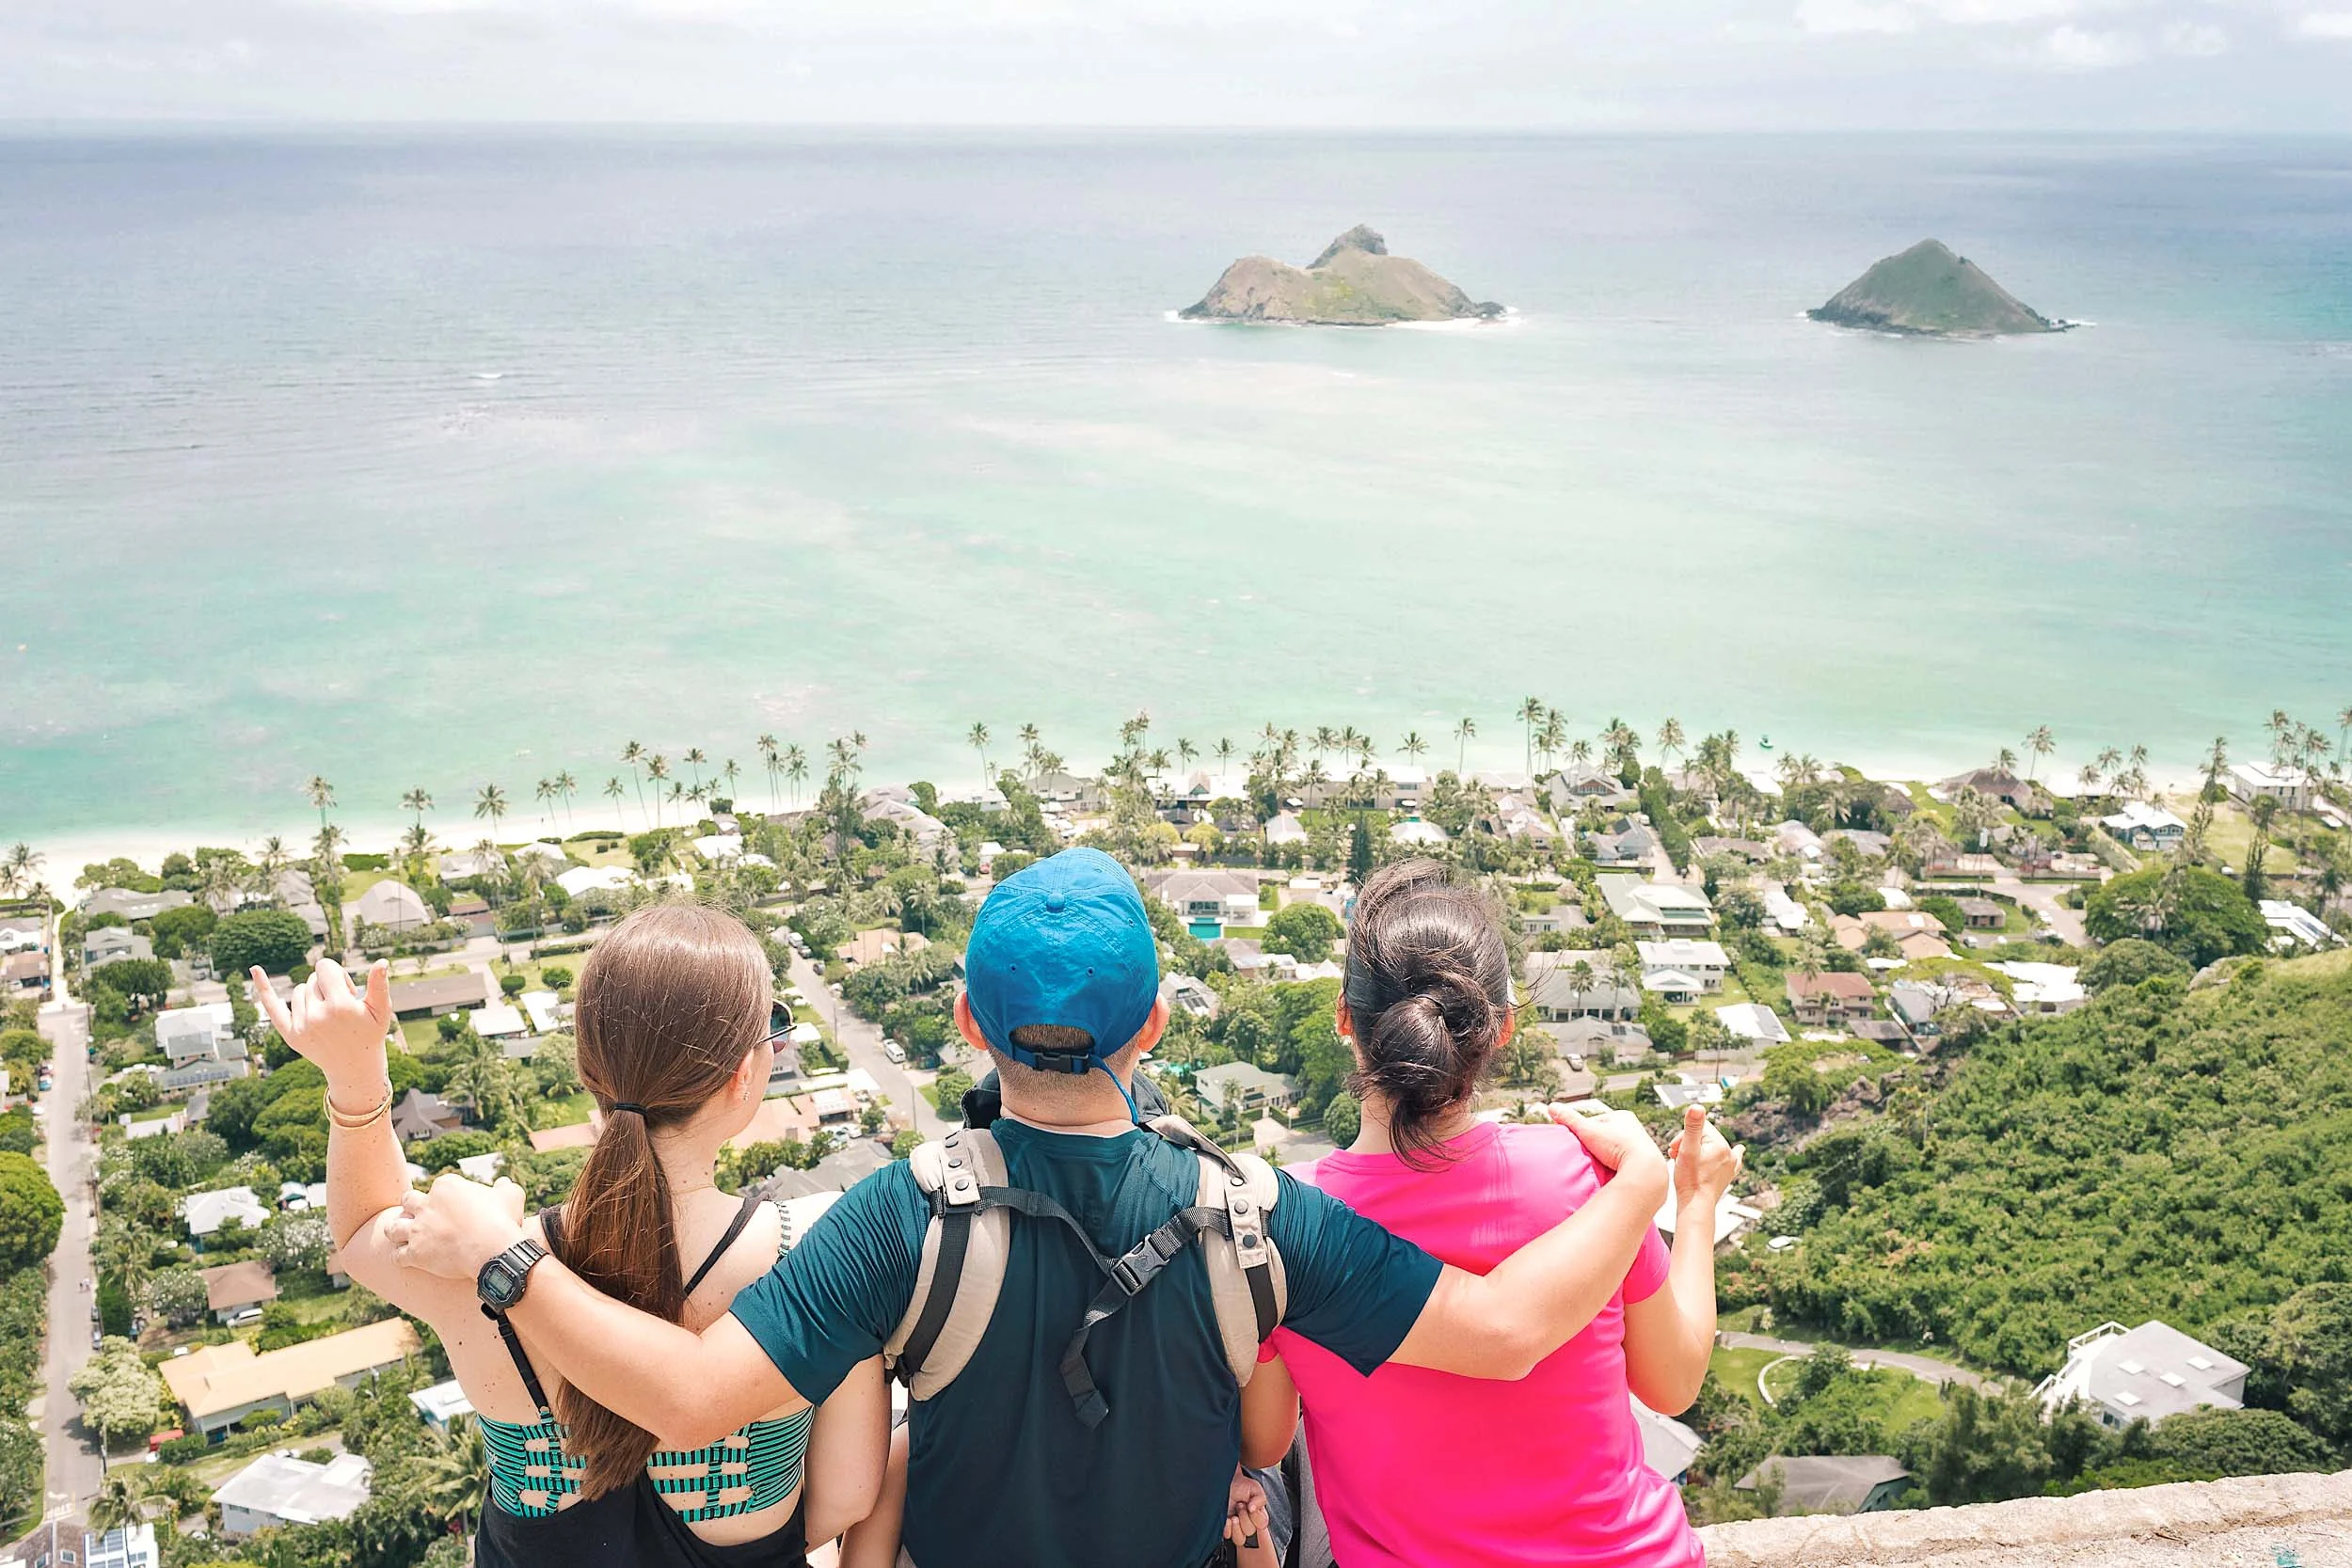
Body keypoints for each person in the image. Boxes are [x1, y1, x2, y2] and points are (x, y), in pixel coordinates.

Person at [389, 848, 1670, 1568]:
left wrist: (509, 1257)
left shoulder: (900, 1216)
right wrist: (1650, 1186)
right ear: (1155, 1025)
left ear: (967, 1022)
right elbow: (1506, 1329)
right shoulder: (1259, 1211)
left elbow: (684, 1394)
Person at [258, 902, 888, 1567]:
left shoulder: (473, 1258)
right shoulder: (811, 1262)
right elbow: (847, 1494)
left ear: (589, 1065)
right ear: (743, 1075)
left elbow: (362, 1230)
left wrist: (356, 1077)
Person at [1240, 858, 1741, 1568]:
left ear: (1346, 1019)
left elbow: (1264, 1442)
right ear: (1502, 1027)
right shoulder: (1586, 1175)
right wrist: (1694, 1204)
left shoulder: (1284, 1221)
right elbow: (1674, 1380)